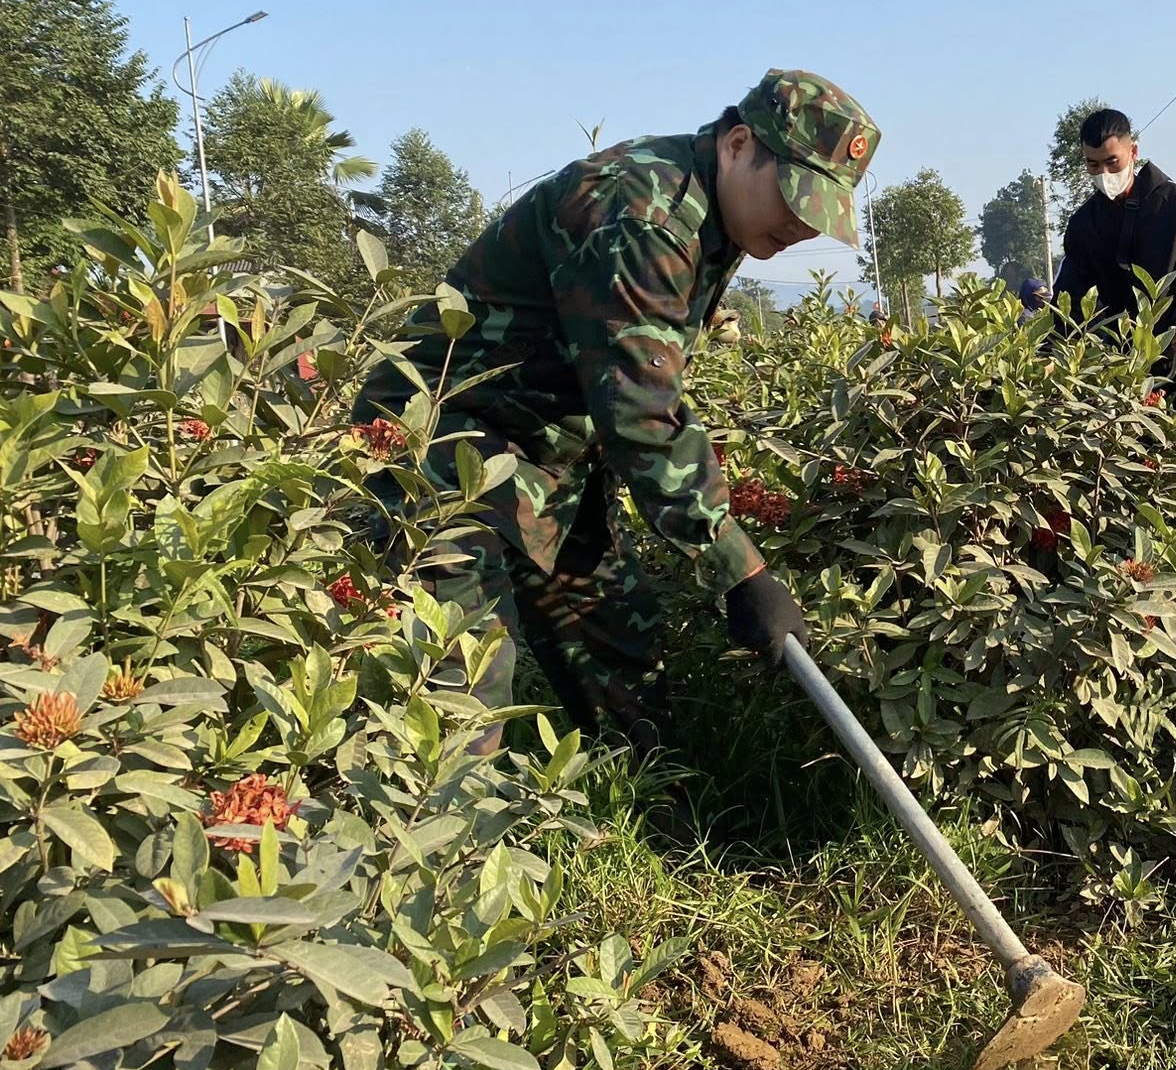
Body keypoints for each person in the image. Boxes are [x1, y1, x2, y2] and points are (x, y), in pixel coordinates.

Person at [353, 69, 881, 750]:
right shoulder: (643, 213)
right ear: (738, 144)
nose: (803, 224)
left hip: (543, 441)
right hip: (440, 431)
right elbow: (640, 409)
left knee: (617, 637)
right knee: (457, 669)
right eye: (794, 193)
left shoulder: (716, 215)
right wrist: (741, 571)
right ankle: (439, 842)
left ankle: (648, 817)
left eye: (820, 209)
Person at [1049, 108, 1176, 403]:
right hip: (1124, 367)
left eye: (1111, 162)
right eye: (1093, 165)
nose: (1104, 174)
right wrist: (1052, 352)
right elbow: (1068, 299)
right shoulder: (1084, 223)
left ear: (1134, 152)